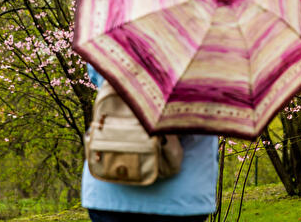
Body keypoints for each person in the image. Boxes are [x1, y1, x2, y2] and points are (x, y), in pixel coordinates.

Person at [81, 65, 219, 222]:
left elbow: (97, 73)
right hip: (182, 192)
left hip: (111, 180)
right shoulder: (214, 45)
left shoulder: (113, 40)